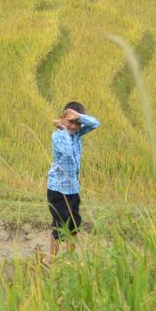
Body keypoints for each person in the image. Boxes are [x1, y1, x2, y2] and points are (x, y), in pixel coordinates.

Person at [46, 102, 100, 257]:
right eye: (71, 122)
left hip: (73, 189)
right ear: (63, 119)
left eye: (78, 123)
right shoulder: (58, 136)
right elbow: (68, 152)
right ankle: (51, 259)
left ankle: (70, 259)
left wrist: (80, 117)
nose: (75, 127)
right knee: (59, 226)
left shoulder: (76, 133)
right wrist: (63, 129)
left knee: (74, 226)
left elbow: (96, 124)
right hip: (57, 190)